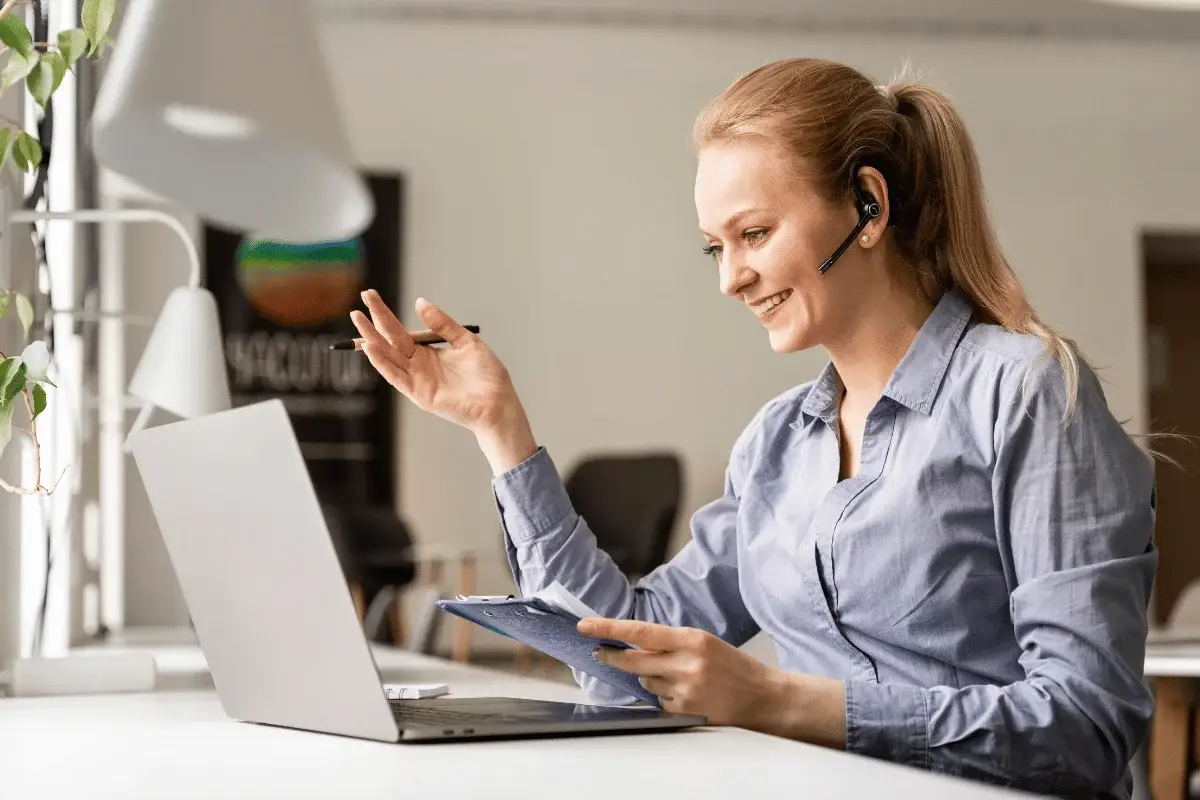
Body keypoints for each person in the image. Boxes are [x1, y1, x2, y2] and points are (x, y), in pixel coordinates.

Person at [350, 57, 1156, 799]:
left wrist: (777, 700)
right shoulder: (778, 443)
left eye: (755, 234)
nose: (731, 279)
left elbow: (1086, 727)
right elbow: (626, 660)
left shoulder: (1025, 391)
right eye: (715, 248)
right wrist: (499, 427)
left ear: (868, 207)